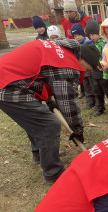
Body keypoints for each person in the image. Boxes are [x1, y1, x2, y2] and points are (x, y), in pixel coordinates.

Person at [0, 39, 100, 183]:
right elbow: (69, 106)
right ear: (83, 59)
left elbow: (41, 73)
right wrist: (77, 131)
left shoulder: (62, 51)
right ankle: (53, 173)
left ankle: (41, 155)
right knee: (48, 124)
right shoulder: (68, 66)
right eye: (88, 69)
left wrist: (49, 101)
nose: (87, 73)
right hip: (7, 86)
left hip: (11, 79)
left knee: (36, 117)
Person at [85, 19, 108, 117]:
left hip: (105, 73)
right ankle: (100, 107)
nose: (92, 37)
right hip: (95, 72)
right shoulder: (90, 44)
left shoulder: (104, 43)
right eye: (90, 35)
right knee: (97, 92)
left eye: (94, 34)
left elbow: (106, 57)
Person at [71, 23, 96, 111]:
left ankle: (96, 103)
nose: (77, 37)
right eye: (75, 36)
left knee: (94, 87)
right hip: (82, 71)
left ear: (83, 34)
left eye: (78, 35)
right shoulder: (75, 45)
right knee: (86, 87)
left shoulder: (88, 42)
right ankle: (89, 102)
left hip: (90, 70)